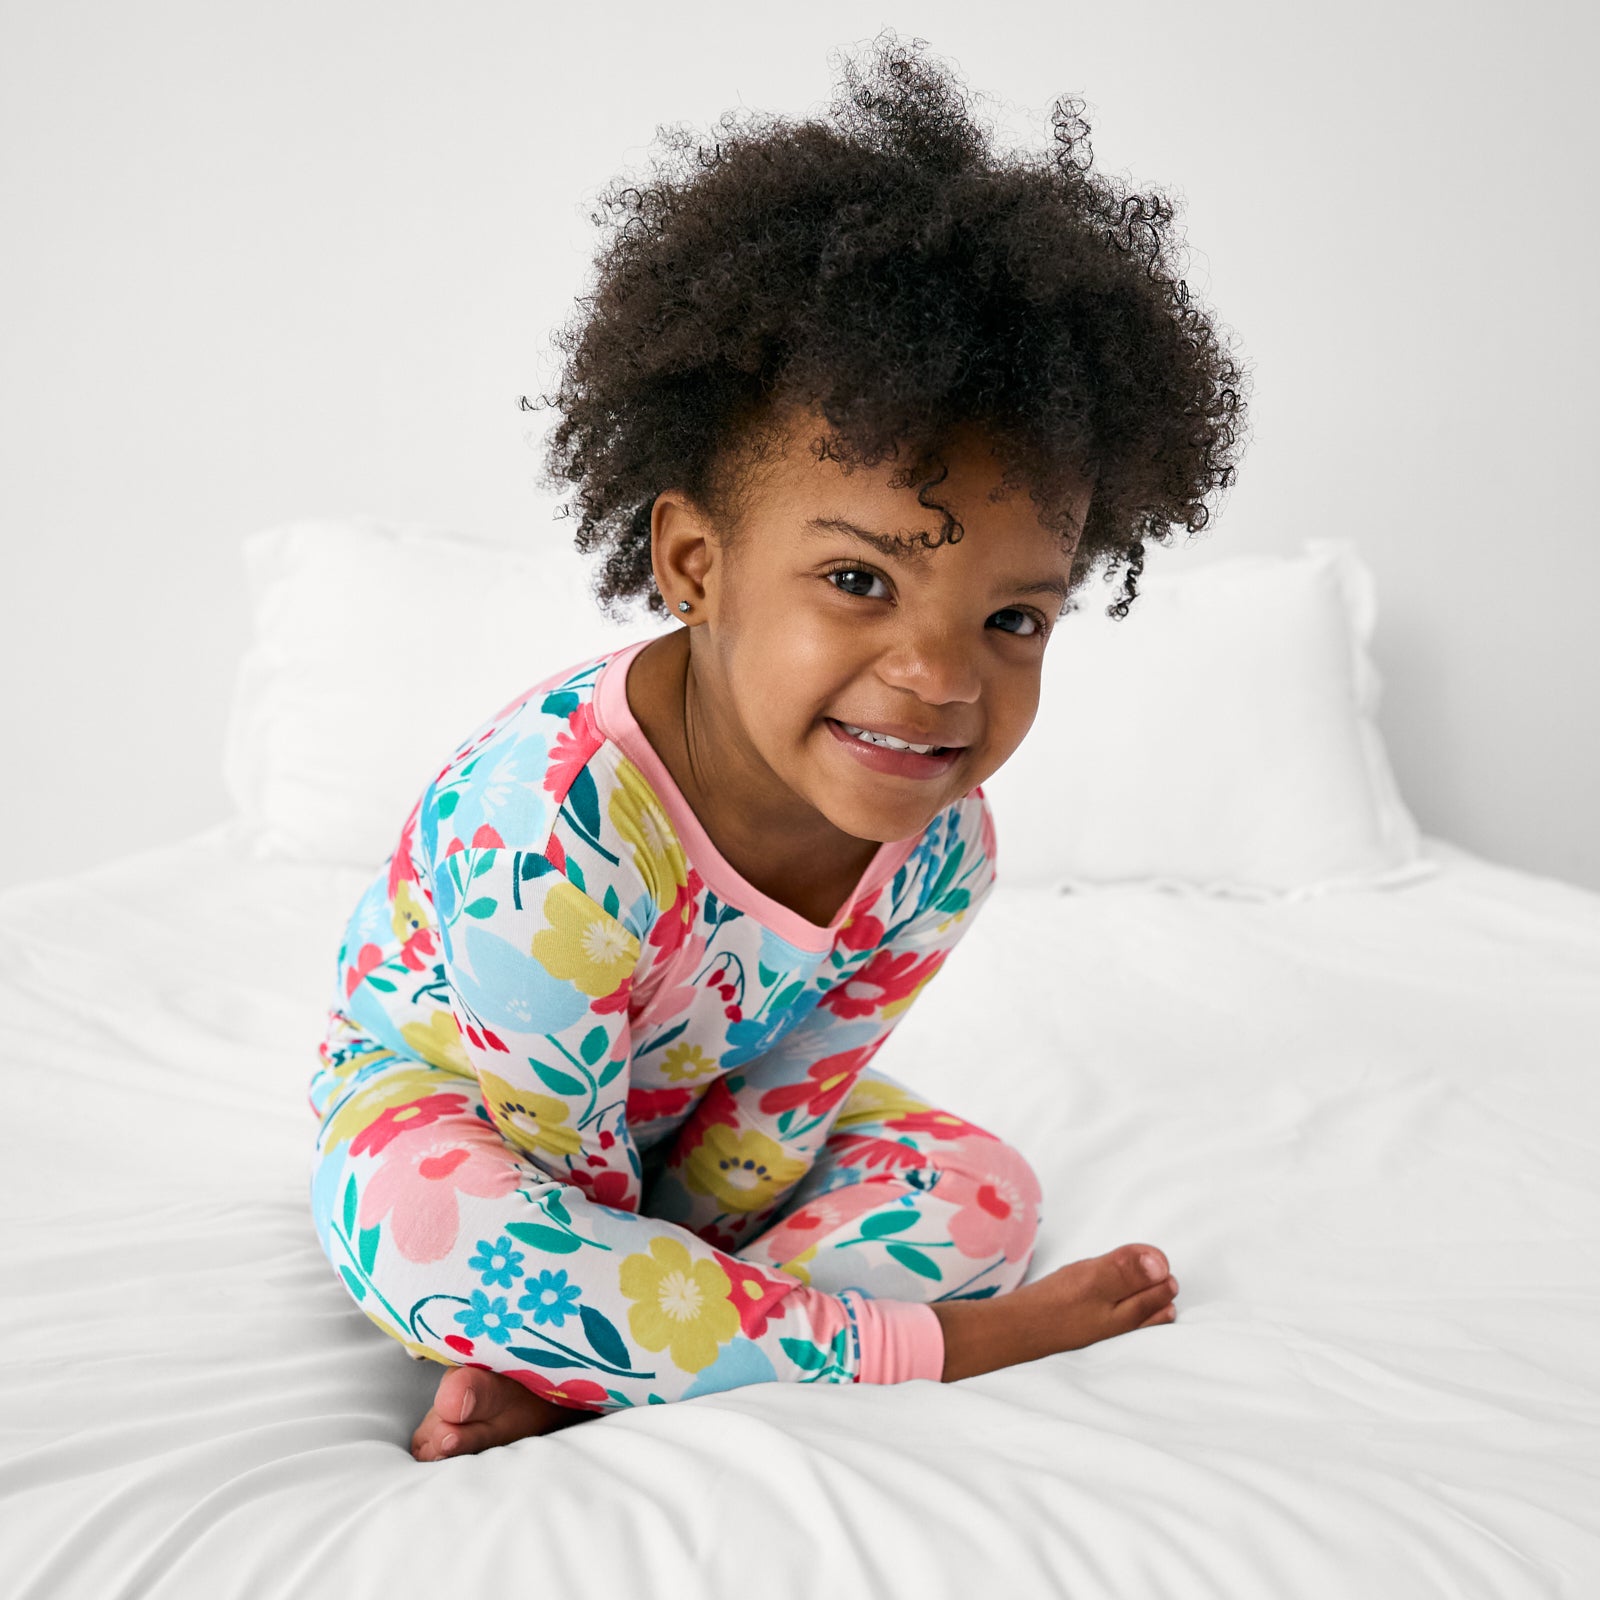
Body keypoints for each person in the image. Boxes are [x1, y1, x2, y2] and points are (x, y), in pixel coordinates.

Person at [308, 33, 1247, 1462]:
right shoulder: (550, 824)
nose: (938, 680)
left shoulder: (940, 842)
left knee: (980, 1191)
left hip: (686, 1146)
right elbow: (562, 1157)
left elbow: (784, 1102)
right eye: (861, 582)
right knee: (449, 1238)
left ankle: (589, 1375)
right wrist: (635, 1260)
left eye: (1010, 617)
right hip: (478, 1117)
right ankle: (927, 1351)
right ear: (695, 561)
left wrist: (695, 1248)